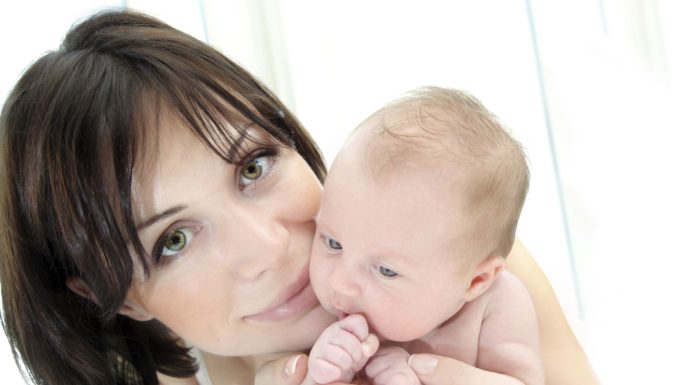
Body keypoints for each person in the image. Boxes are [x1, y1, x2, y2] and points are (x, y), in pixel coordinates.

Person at [0, 9, 599, 385]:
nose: (267, 246)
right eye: (173, 241)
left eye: (254, 167)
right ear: (121, 299)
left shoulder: (466, 280)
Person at [304, 87, 542, 385]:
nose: (340, 281)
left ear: (476, 281)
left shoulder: (496, 305)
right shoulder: (328, 311)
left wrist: (427, 376)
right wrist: (321, 375)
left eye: (386, 271)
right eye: (332, 243)